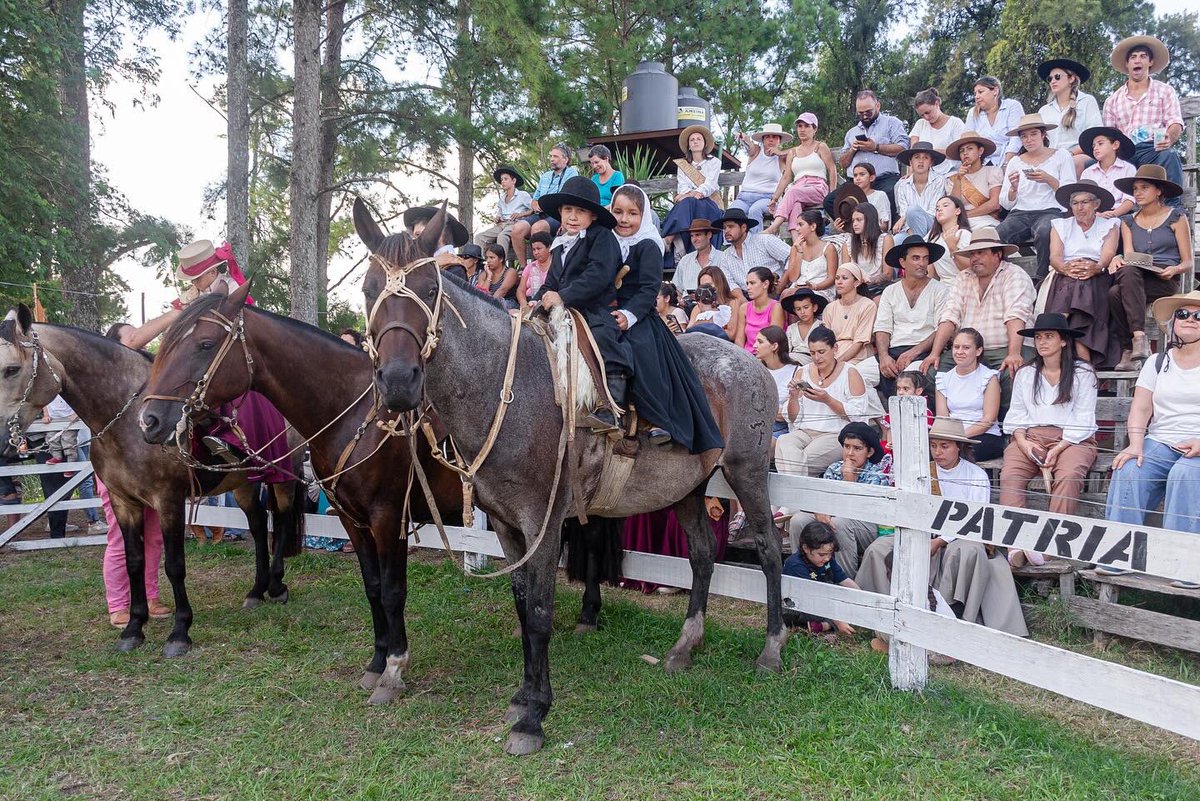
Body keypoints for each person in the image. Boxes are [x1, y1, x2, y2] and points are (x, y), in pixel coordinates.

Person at [856, 418, 1028, 637]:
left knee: (969, 550)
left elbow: (976, 518)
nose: (937, 451)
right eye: (934, 445)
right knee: (879, 548)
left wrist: (940, 541)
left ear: (959, 447)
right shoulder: (920, 473)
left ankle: (950, 617)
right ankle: (880, 613)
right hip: (923, 532)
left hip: (962, 536)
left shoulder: (976, 475)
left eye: (944, 446)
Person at [609, 184, 724, 452]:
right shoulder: (606, 240)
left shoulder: (649, 244)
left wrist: (628, 315)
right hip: (606, 307)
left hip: (637, 313)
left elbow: (649, 288)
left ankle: (658, 417)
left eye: (632, 213)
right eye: (618, 212)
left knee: (641, 350)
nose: (624, 219)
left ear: (643, 215)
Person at [534, 175, 631, 431]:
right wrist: (535, 302)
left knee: (604, 337)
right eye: (568, 210)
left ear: (594, 216)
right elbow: (550, 282)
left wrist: (563, 297)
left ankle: (612, 408)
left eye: (580, 211)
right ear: (560, 212)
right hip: (562, 309)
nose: (573, 216)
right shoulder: (560, 245)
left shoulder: (602, 238)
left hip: (594, 307)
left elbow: (597, 276)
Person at [1000, 313, 1098, 567]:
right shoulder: (1026, 373)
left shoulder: (1082, 372)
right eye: (1039, 337)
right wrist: (1023, 443)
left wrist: (1059, 448)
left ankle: (1050, 545)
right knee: (1010, 474)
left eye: (1049, 336)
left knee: (1068, 475)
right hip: (1030, 436)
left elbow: (1084, 418)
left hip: (1073, 438)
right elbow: (1017, 415)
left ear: (1063, 340)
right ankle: (1016, 544)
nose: (1042, 342)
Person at [1106, 289, 1200, 551]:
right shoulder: (1157, 363)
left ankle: (1184, 560)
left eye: (1198, 315)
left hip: (1198, 445)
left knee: (1185, 474)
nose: (1190, 319)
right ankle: (1119, 553)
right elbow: (1140, 409)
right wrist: (1135, 444)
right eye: (1183, 314)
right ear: (1173, 323)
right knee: (1128, 468)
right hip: (1161, 441)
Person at [921, 227, 1036, 400]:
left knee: (1013, 373)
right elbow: (950, 316)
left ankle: (1005, 426)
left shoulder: (1014, 275)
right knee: (931, 372)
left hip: (1006, 347)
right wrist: (934, 353)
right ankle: (948, 423)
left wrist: (1013, 353)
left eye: (980, 253)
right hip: (968, 349)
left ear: (997, 254)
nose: (974, 258)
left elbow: (1016, 316)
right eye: (972, 254)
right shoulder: (963, 277)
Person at [1107, 165, 1192, 371]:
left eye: (1144, 188)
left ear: (1158, 191)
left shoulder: (1177, 218)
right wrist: (1118, 257)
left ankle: (1129, 348)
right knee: (1113, 292)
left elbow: (1188, 261)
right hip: (1136, 273)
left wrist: (1175, 270)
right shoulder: (1128, 222)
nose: (1138, 193)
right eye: (1135, 189)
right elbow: (1129, 256)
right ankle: (1138, 338)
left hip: (1164, 278)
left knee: (1117, 291)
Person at [786, 422, 891, 578]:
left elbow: (864, 512)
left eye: (857, 448)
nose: (850, 453)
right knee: (799, 520)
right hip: (834, 517)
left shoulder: (877, 475)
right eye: (846, 447)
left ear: (869, 452)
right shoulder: (834, 468)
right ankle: (801, 572)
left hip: (866, 527)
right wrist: (819, 511)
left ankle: (844, 579)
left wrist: (849, 481)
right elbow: (822, 499)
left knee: (840, 523)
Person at [775, 326, 870, 477]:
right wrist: (793, 397)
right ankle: (797, 494)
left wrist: (827, 400)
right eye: (812, 353)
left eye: (821, 352)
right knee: (784, 441)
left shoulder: (850, 372)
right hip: (804, 431)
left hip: (834, 434)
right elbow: (792, 417)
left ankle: (790, 496)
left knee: (798, 461)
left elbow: (858, 416)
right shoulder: (803, 371)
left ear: (835, 348)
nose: (817, 357)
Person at [1103, 35, 1185, 207]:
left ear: (1150, 62)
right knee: (1094, 164)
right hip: (1125, 152)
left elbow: (1175, 122)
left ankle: (1174, 210)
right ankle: (1111, 215)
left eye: (1142, 56)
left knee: (1169, 156)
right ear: (1127, 65)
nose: (1137, 61)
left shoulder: (1165, 91)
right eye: (1133, 57)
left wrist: (1169, 137)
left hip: (1153, 148)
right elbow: (1110, 136)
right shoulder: (1113, 100)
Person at [1045, 180, 1120, 366]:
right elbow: (1054, 256)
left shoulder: (1110, 224)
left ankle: (1058, 322)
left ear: (1096, 204)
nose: (1079, 207)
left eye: (1085, 202)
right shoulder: (1060, 225)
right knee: (1077, 284)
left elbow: (1108, 254)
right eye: (1075, 203)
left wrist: (1096, 267)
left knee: (1084, 285)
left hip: (1098, 276)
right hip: (1065, 275)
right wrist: (1066, 268)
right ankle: (1083, 360)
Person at [997, 113, 1076, 279]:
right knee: (996, 235)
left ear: (1043, 134)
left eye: (1033, 134)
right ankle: (1003, 278)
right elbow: (1005, 202)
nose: (1029, 139)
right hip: (1019, 213)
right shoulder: (1015, 161)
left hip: (1050, 210)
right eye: (1024, 136)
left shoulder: (1061, 155)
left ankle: (1042, 278)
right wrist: (1013, 188)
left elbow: (1070, 195)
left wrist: (1049, 179)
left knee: (1045, 230)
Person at [873, 235, 949, 397]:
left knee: (908, 380)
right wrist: (884, 356)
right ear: (902, 262)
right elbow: (882, 328)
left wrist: (913, 352)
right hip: (893, 351)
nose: (922, 263)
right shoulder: (890, 291)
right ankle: (882, 421)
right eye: (915, 258)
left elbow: (941, 329)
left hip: (923, 352)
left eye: (925, 258)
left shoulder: (940, 290)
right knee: (857, 374)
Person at [831, 91, 910, 214]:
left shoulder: (892, 123)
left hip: (883, 178)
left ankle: (886, 229)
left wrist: (876, 147)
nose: (865, 116)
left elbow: (903, 148)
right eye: (860, 113)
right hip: (856, 181)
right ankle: (850, 228)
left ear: (878, 106)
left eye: (868, 112)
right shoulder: (852, 132)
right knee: (830, 200)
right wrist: (852, 150)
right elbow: (843, 163)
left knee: (890, 193)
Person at [935, 328, 1005, 461]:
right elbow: (942, 418)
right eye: (956, 347)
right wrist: (951, 438)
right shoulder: (943, 379)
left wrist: (959, 436)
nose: (959, 352)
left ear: (978, 351)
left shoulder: (989, 377)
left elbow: (988, 419)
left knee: (962, 453)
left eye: (966, 347)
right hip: (951, 436)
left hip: (985, 435)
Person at [781, 520, 860, 636]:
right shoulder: (795, 565)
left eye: (830, 553)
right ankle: (826, 625)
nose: (827, 558)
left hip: (823, 600)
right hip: (801, 604)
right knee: (794, 615)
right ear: (806, 548)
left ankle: (822, 625)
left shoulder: (827, 560)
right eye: (822, 555)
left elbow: (844, 580)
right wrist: (837, 620)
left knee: (844, 599)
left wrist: (860, 596)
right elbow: (810, 598)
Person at [765, 113, 837, 236]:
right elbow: (786, 177)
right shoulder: (792, 152)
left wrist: (832, 196)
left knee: (793, 192)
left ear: (814, 129)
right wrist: (774, 199)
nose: (802, 129)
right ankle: (797, 244)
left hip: (817, 188)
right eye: (799, 126)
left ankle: (774, 226)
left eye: (806, 126)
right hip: (799, 189)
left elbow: (832, 169)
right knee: (796, 204)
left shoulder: (820, 147)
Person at [661, 125, 724, 258]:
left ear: (704, 143)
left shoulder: (714, 162)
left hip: (709, 204)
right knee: (687, 203)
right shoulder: (683, 165)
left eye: (699, 139)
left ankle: (669, 239)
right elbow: (682, 187)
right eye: (692, 140)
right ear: (689, 145)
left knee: (686, 202)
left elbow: (710, 184)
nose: (695, 141)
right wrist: (689, 195)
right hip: (689, 204)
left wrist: (691, 194)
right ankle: (678, 247)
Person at [510, 143, 579, 261]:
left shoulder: (571, 173)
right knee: (517, 229)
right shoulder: (545, 176)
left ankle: (540, 268)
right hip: (540, 214)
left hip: (557, 215)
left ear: (566, 159)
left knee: (538, 228)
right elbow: (535, 199)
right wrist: (535, 204)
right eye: (551, 156)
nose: (552, 159)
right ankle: (524, 268)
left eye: (556, 156)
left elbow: (569, 199)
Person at [1036, 58, 1102, 175]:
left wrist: (1069, 154)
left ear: (1071, 78)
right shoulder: (1044, 110)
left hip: (1081, 154)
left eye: (1057, 77)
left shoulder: (1087, 101)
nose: (1052, 81)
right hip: (1051, 157)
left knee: (1071, 163)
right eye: (1050, 79)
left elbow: (1094, 134)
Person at [730, 122, 790, 226]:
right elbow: (749, 145)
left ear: (779, 141)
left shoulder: (782, 158)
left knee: (755, 210)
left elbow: (800, 150)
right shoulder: (757, 151)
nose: (771, 140)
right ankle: (728, 243)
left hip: (767, 198)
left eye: (775, 137)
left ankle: (756, 242)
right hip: (744, 196)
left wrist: (780, 152)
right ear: (763, 140)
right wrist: (745, 139)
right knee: (731, 214)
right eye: (767, 137)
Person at [715, 208, 790, 291]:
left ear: (743, 227)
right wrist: (743, 301)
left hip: (774, 292)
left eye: (730, 226)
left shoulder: (764, 241)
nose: (726, 231)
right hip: (746, 298)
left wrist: (781, 285)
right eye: (724, 228)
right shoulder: (725, 256)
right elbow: (730, 284)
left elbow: (792, 256)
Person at [891, 142, 949, 237]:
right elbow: (903, 212)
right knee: (895, 240)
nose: (921, 161)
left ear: (931, 162)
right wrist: (910, 232)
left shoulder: (939, 181)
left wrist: (906, 217)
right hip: (909, 229)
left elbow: (933, 212)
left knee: (912, 210)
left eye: (925, 158)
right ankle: (918, 242)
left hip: (933, 228)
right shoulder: (902, 185)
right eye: (917, 157)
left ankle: (920, 245)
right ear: (910, 162)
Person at [946, 131, 1002, 228]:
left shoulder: (993, 171)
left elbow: (995, 204)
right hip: (960, 223)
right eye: (962, 151)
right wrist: (959, 179)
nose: (965, 153)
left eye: (970, 148)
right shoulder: (953, 178)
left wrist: (966, 215)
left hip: (985, 220)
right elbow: (954, 205)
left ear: (980, 151)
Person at [1078, 126, 1136, 218]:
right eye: (1093, 146)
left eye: (1100, 143)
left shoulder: (1128, 169)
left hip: (1121, 215)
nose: (1095, 148)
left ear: (1115, 145)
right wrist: (1098, 215)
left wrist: (1114, 214)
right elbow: (1084, 200)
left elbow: (1129, 200)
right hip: (1093, 216)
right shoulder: (1088, 172)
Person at [964, 76, 1024, 165]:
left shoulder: (1012, 106)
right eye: (975, 93)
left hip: (1012, 161)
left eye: (980, 92)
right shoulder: (972, 113)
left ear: (995, 91)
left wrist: (1006, 164)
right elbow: (968, 141)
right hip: (982, 164)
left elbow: (1016, 137)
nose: (976, 96)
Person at [474, 165, 533, 256]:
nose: (503, 182)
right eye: (502, 180)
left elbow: (533, 210)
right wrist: (498, 218)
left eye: (506, 179)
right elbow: (500, 213)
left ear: (513, 181)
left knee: (502, 236)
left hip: (515, 224)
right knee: (479, 237)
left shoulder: (522, 195)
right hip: (502, 224)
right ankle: (479, 265)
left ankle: (501, 266)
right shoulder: (502, 198)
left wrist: (520, 214)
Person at [754, 325, 800, 438]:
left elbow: (788, 415)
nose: (755, 345)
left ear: (774, 346)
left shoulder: (796, 371)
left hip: (783, 429)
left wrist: (762, 409)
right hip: (754, 424)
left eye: (760, 342)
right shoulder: (754, 369)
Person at [780, 209, 836, 302]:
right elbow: (793, 278)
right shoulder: (796, 247)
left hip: (820, 289)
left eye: (801, 224)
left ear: (813, 226)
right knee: (786, 294)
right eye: (797, 225)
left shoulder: (829, 248)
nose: (797, 229)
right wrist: (799, 252)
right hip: (798, 287)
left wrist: (815, 286)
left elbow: (831, 278)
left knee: (799, 298)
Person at [839, 203, 894, 297]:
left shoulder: (885, 239)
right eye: (853, 221)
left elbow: (887, 274)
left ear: (870, 220)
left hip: (879, 288)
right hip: (855, 290)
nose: (855, 224)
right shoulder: (847, 244)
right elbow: (845, 273)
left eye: (859, 220)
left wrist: (868, 281)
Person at [909, 87, 965, 177]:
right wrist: (911, 175)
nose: (926, 118)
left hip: (951, 174)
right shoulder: (920, 124)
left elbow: (962, 153)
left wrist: (935, 152)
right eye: (922, 115)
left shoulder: (955, 123)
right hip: (925, 175)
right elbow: (912, 153)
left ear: (936, 103)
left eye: (928, 112)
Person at [732, 266, 785, 353]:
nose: (748, 287)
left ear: (765, 284)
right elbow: (739, 341)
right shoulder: (744, 308)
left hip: (768, 358)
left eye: (752, 283)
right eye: (747, 283)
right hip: (747, 357)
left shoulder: (776, 307)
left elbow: (774, 341)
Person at [833, 163, 892, 233]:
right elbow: (848, 225)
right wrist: (841, 228)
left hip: (874, 235)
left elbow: (884, 225)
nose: (858, 178)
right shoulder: (850, 198)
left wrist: (865, 229)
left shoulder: (880, 195)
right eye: (855, 175)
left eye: (862, 174)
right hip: (853, 236)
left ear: (871, 178)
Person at [671, 219, 725, 293]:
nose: (694, 239)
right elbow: (676, 289)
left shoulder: (723, 258)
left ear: (709, 235)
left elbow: (728, 290)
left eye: (698, 235)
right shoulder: (685, 260)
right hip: (687, 303)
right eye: (692, 236)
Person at [928, 195, 973, 280]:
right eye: (937, 208)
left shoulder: (963, 234)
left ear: (958, 211)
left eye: (945, 205)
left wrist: (952, 248)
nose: (940, 209)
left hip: (963, 285)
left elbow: (971, 269)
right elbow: (931, 275)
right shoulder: (934, 239)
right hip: (942, 288)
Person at [687, 265, 740, 335]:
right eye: (702, 286)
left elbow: (731, 334)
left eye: (709, 285)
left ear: (720, 284)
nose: (706, 289)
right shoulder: (698, 307)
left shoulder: (733, 303)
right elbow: (689, 331)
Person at [782, 287, 827, 365]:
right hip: (791, 359)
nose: (802, 312)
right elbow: (786, 349)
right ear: (795, 311)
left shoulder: (821, 326)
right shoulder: (791, 328)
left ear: (814, 307)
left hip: (812, 360)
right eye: (798, 309)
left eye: (806, 307)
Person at [516, 231, 553, 308]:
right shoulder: (530, 267)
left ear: (549, 247)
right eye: (534, 249)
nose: (536, 252)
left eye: (539, 249)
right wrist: (524, 304)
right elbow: (520, 290)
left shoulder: (556, 266)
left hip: (549, 304)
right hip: (530, 304)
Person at [477, 243, 518, 309]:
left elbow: (502, 291)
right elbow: (481, 294)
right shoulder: (483, 275)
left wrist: (489, 306)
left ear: (501, 259)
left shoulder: (510, 272)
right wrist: (489, 277)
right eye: (487, 258)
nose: (488, 261)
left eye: (492, 258)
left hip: (507, 303)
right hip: (487, 304)